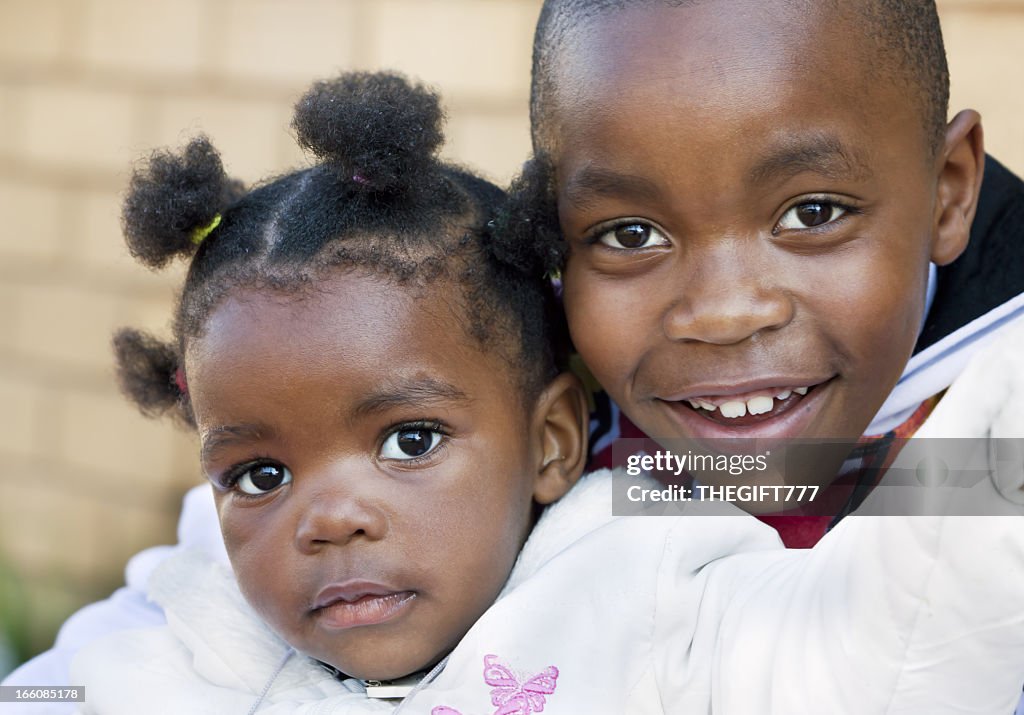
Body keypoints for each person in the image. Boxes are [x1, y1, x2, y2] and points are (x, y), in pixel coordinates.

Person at [50, 71, 1024, 714]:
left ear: (552, 440)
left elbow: (877, 657)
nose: (330, 516)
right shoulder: (212, 606)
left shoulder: (640, 570)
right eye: (259, 471)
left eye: (410, 442)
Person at [499, 0, 1024, 546]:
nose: (723, 315)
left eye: (812, 213)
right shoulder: (532, 428)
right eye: (631, 235)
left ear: (947, 195)